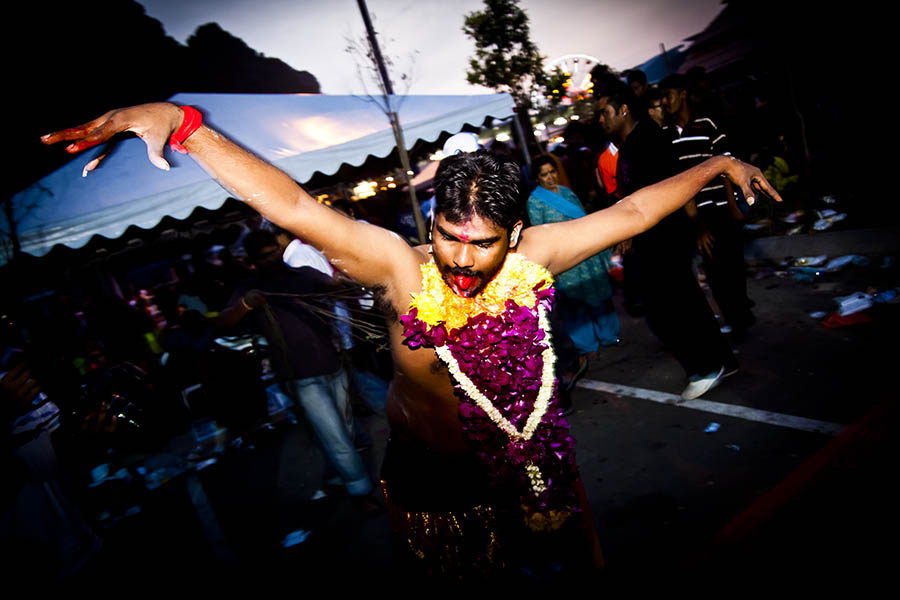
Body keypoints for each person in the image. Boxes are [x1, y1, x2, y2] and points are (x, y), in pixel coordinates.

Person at [42, 103, 779, 580]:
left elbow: (638, 209)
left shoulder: (538, 256)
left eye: (481, 244)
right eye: (447, 236)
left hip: (532, 461)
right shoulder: (402, 269)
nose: (458, 258)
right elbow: (295, 205)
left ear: (516, 235)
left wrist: (716, 164)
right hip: (434, 482)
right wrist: (184, 123)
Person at [595, 83, 742, 399]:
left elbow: (674, 188)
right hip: (657, 238)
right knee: (686, 301)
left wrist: (693, 224)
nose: (601, 120)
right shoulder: (635, 142)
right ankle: (723, 361)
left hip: (663, 238)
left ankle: (703, 367)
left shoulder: (646, 141)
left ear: (623, 110)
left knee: (668, 310)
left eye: (605, 113)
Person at [216, 230, 380, 512]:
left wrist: (349, 283)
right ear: (252, 261)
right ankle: (360, 492)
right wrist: (245, 305)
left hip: (332, 364)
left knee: (347, 429)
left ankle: (341, 477)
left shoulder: (303, 275)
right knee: (334, 436)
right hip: (301, 378)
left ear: (278, 250)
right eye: (262, 257)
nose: (270, 259)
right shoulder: (250, 288)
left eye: (272, 252)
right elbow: (222, 323)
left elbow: (334, 286)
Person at [660, 74, 756, 339]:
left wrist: (733, 203)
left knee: (733, 265)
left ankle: (741, 314)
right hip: (696, 213)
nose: (665, 102)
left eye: (668, 95)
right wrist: (697, 224)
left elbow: (725, 165)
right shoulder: (665, 136)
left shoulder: (707, 124)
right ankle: (737, 319)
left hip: (721, 207)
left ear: (682, 94)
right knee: (715, 272)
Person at [527, 155, 619, 361]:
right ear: (537, 178)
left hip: (586, 252)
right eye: (544, 175)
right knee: (574, 302)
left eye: (552, 172)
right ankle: (586, 344)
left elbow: (584, 219)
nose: (550, 178)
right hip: (564, 260)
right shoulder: (535, 202)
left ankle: (609, 335)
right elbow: (541, 235)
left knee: (599, 293)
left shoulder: (567, 193)